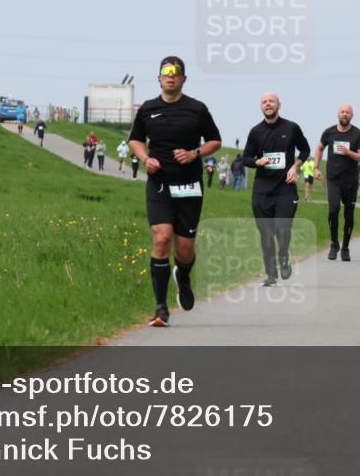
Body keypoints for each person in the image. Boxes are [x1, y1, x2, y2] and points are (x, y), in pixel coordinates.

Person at [128, 56, 221, 327]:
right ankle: (160, 308)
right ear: (159, 78)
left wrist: (195, 154)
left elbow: (215, 140)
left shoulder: (196, 109)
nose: (170, 76)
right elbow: (135, 139)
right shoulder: (147, 109)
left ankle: (183, 276)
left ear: (183, 78)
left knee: (184, 248)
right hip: (159, 184)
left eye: (175, 72)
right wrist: (146, 159)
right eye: (166, 72)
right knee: (162, 237)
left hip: (189, 186)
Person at [242, 92, 311, 285]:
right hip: (262, 191)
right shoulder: (255, 132)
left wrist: (295, 166)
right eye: (264, 102)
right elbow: (245, 158)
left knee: (282, 230)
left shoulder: (291, 127)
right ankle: (271, 275)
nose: (268, 104)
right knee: (266, 234)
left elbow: (305, 149)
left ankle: (284, 256)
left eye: (271, 101)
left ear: (279, 105)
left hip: (285, 189)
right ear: (261, 107)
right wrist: (257, 161)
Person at [313, 104, 360, 261]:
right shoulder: (329, 132)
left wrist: (349, 152)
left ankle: (345, 248)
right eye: (342, 112)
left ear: (352, 115)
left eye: (347, 112)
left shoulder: (357, 134)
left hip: (350, 180)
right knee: (333, 210)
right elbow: (319, 149)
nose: (345, 114)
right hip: (333, 179)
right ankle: (334, 242)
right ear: (338, 114)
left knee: (349, 215)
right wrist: (316, 167)